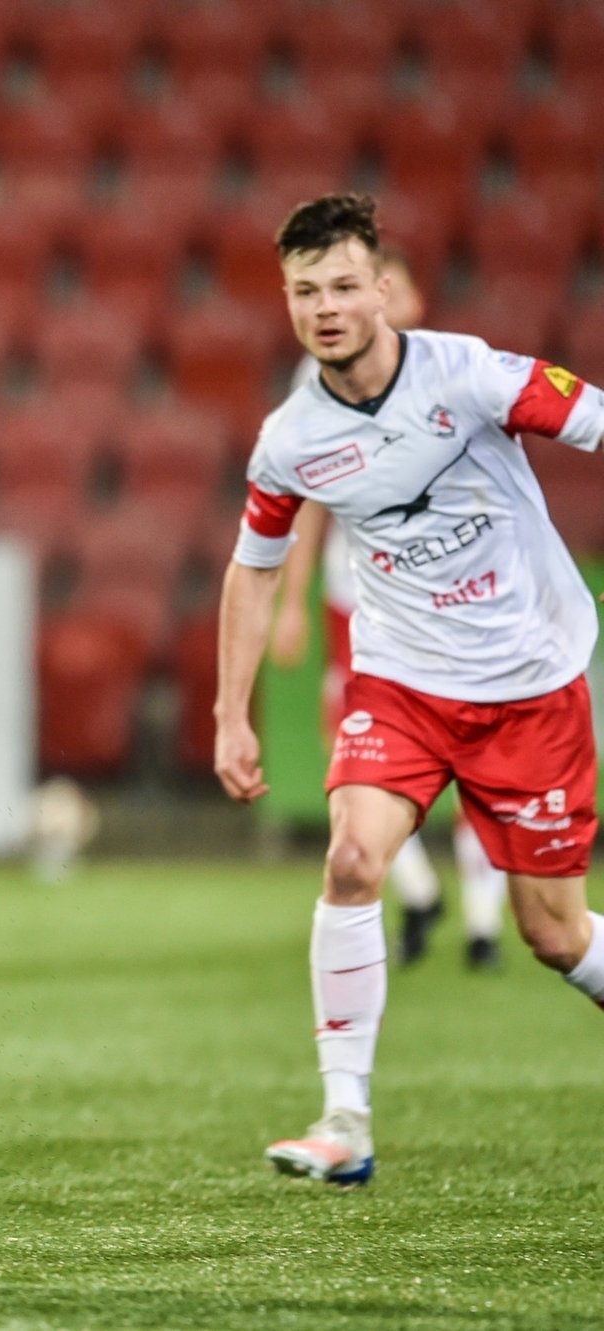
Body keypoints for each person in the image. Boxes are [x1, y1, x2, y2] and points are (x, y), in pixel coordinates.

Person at [214, 193, 604, 1187]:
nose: (324, 306)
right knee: (349, 859)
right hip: (399, 683)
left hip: (528, 683)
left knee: (552, 933)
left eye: (342, 284)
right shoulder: (289, 436)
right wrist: (232, 710)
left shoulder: (466, 373)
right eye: (304, 291)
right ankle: (343, 1116)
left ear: (381, 289)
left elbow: (591, 416)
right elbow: (252, 567)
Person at [268, 250, 507, 969]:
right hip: (362, 603)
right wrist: (293, 601)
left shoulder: (453, 371)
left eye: (368, 288)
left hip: (454, 601)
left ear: (403, 300)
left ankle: (484, 925)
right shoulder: (315, 381)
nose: (343, 306)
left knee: (475, 755)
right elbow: (303, 503)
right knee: (352, 753)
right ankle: (422, 890)